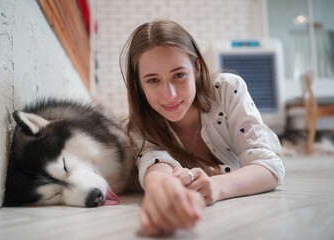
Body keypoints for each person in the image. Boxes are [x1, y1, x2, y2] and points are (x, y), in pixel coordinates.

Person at [120, 19, 285, 236]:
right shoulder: (139, 128)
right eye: (152, 80)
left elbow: (269, 166)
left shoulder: (227, 89)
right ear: (139, 84)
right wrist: (159, 191)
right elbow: (155, 166)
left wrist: (215, 187)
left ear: (196, 68)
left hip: (263, 142)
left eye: (179, 75)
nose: (169, 94)